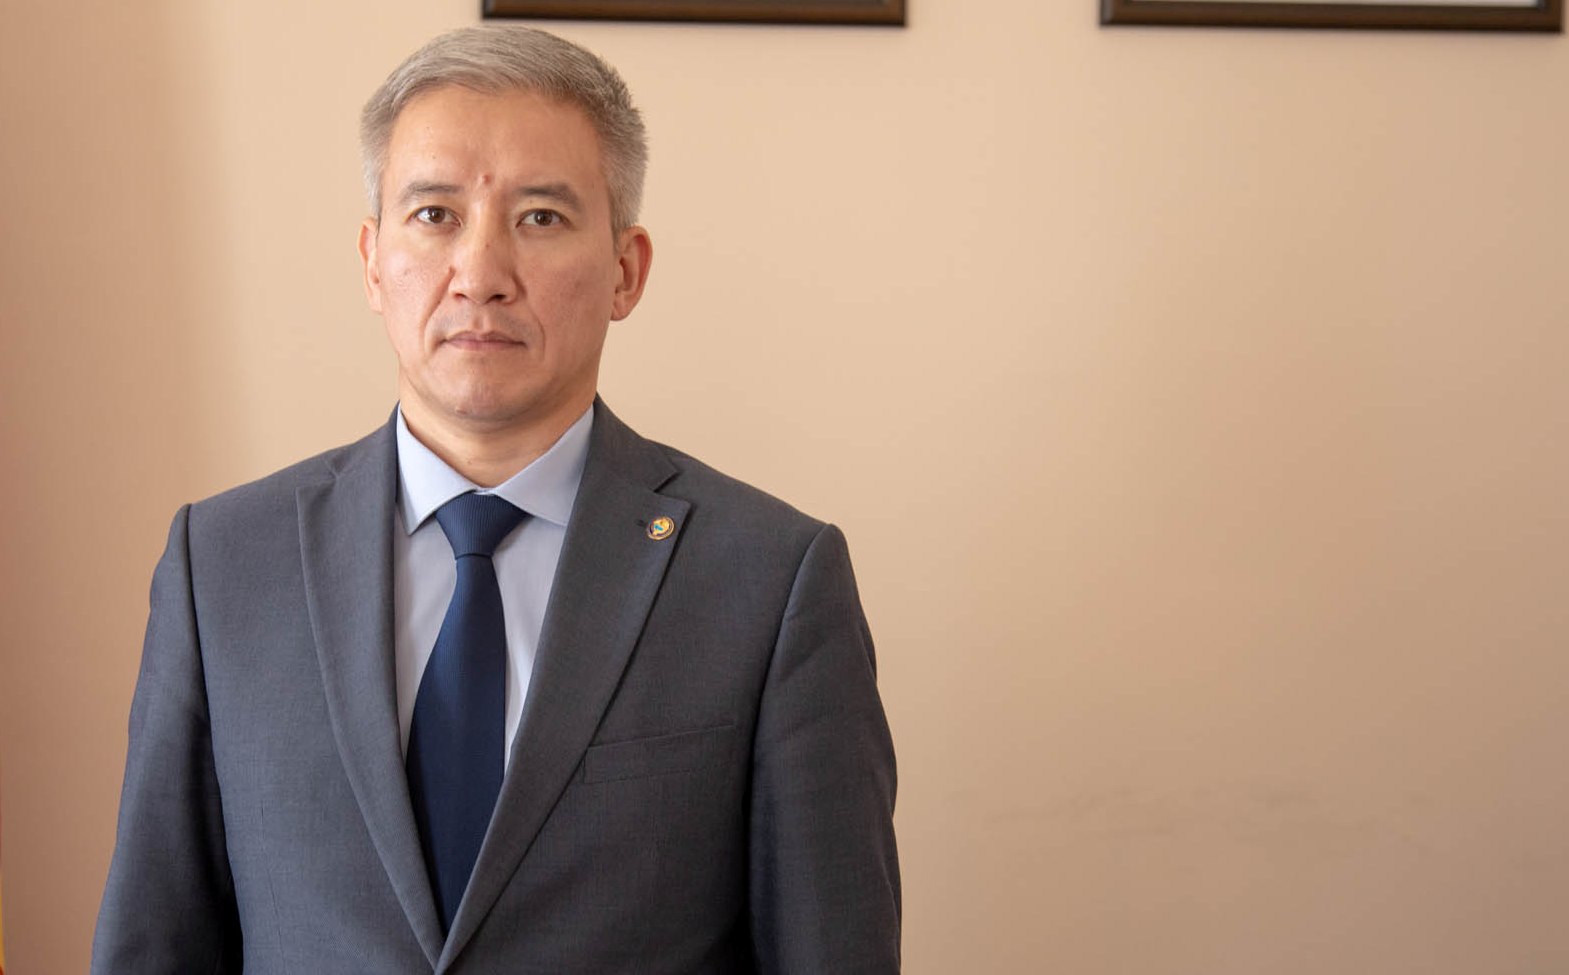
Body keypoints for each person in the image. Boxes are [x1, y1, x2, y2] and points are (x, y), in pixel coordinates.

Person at [91, 24, 899, 975]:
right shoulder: (224, 562)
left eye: (541, 217)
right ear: (371, 260)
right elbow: (154, 942)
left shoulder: (770, 579)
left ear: (626, 270)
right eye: (434, 213)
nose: (479, 275)